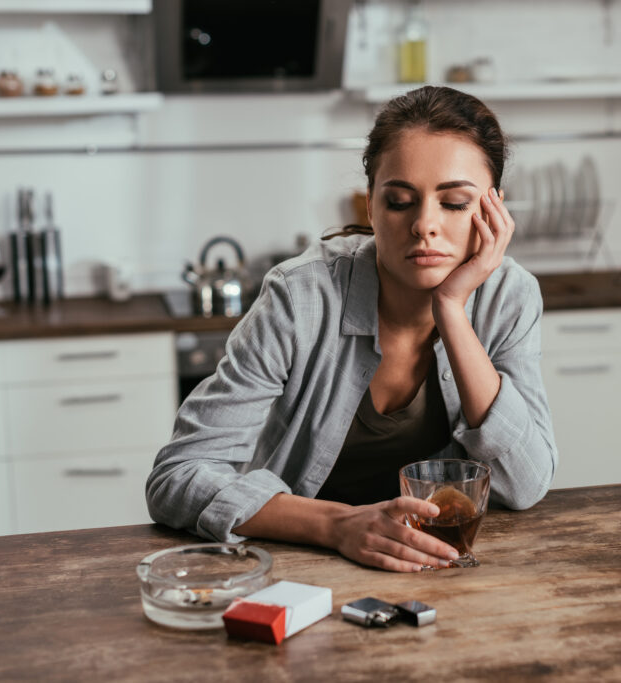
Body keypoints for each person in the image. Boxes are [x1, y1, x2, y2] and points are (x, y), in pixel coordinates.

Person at [147, 85, 558, 572]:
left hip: (444, 567)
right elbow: (177, 475)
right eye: (401, 201)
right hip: (299, 565)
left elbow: (524, 483)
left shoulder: (509, 296)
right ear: (370, 208)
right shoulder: (301, 297)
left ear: (493, 212)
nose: (425, 224)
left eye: (454, 203)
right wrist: (336, 526)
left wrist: (451, 309)